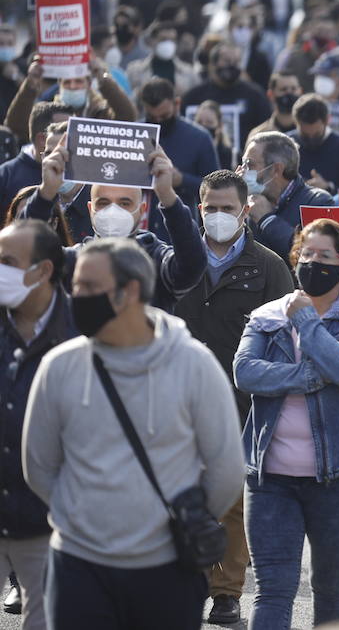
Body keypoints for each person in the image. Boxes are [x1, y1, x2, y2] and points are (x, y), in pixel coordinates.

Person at [24, 238, 242, 630]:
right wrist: (80, 520)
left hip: (169, 568)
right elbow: (38, 467)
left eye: (90, 287)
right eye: (75, 286)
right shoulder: (59, 366)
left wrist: (181, 521)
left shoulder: (194, 364)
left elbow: (226, 469)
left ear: (131, 292)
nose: (77, 296)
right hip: (77, 566)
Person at [233, 218, 339, 629]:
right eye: (306, 255)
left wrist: (306, 322)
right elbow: (245, 372)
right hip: (271, 479)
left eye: (324, 257)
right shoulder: (268, 316)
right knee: (272, 587)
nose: (312, 264)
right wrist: (305, 379)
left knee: (332, 585)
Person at [172, 170, 293, 626]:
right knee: (181, 495)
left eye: (228, 208)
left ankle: (226, 593)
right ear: (197, 209)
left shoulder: (269, 266)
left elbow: (285, 338)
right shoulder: (176, 262)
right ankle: (188, 584)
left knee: (233, 503)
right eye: (210, 208)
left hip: (243, 404)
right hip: (178, 401)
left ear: (246, 211)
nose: (219, 216)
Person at [26, 137, 208, 312]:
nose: (113, 211)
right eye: (103, 203)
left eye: (124, 203)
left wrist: (167, 196)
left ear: (142, 209)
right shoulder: (73, 261)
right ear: (91, 209)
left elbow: (193, 265)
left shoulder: (156, 260)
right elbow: (27, 256)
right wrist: (45, 193)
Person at [0, 220, 73, 630]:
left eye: (8, 262)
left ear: (43, 271)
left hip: (48, 523)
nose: (0, 270)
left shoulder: (81, 331)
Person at [238, 131, 336, 260]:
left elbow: (309, 258)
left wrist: (267, 220)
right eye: (243, 163)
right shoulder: (245, 200)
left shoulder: (318, 202)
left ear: (276, 169)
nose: (241, 171)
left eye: (249, 164)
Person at [5, 55, 137, 143]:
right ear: (60, 85)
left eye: (78, 81)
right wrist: (30, 85)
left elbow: (127, 116)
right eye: (67, 82)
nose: (73, 86)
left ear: (89, 84)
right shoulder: (47, 112)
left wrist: (103, 78)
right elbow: (15, 126)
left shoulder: (101, 111)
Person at [138, 78, 221, 210]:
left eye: (165, 116)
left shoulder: (199, 138)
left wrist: (182, 180)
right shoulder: (135, 134)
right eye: (152, 118)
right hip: (139, 222)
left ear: (177, 104)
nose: (158, 122)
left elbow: (216, 188)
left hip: (182, 221)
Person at [183, 42, 273, 151]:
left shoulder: (255, 95)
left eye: (236, 62)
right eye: (226, 61)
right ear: (213, 64)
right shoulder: (194, 96)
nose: (231, 65)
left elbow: (266, 129)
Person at [0, 102, 68, 216]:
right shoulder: (6, 176)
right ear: (43, 139)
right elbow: (27, 231)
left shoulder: (87, 179)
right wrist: (45, 193)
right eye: (64, 129)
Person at [290, 94, 339, 195]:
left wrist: (329, 188)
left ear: (328, 120)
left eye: (316, 134)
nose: (311, 139)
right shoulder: (286, 145)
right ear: (295, 122)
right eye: (305, 135)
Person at [125, 21, 198, 94]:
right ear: (152, 41)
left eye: (172, 40)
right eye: (163, 39)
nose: (168, 44)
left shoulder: (188, 72)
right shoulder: (134, 70)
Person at [247, 72, 304, 139]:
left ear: (301, 92)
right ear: (270, 94)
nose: (289, 93)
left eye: (293, 89)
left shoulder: (308, 131)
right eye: (283, 89)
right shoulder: (260, 135)